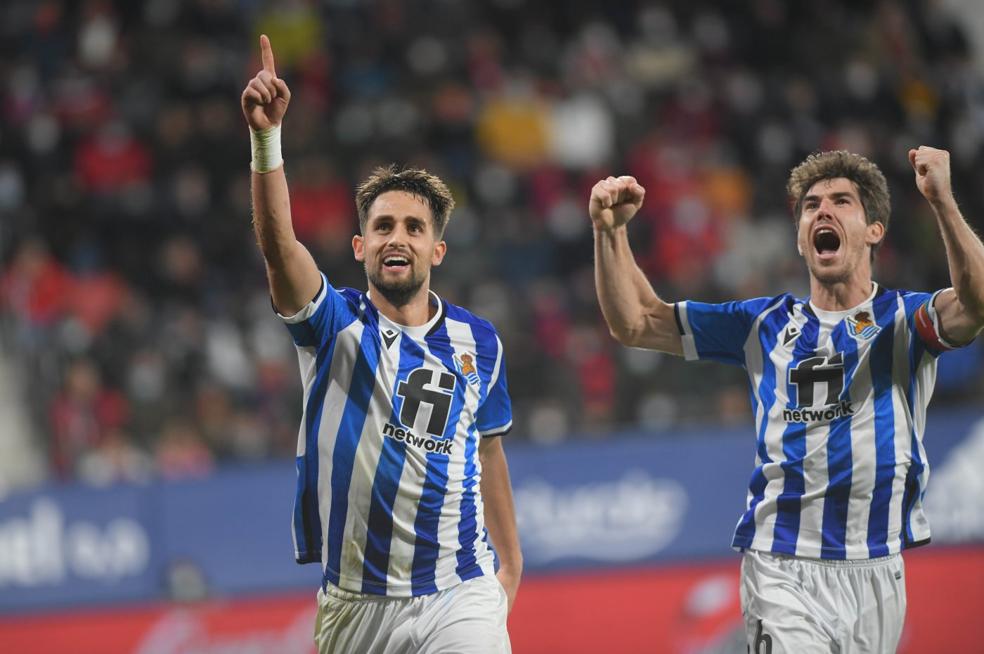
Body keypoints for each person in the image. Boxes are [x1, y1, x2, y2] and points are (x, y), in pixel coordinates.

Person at [589, 148, 984, 653]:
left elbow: (975, 304)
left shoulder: (906, 320)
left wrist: (943, 201)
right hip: (782, 563)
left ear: (874, 230)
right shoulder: (764, 324)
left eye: (842, 201)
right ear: (800, 238)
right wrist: (610, 232)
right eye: (810, 205)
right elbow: (637, 322)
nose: (823, 211)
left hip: (878, 570)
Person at [241, 35, 521, 653]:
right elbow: (279, 246)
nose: (400, 237)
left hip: (460, 590)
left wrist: (511, 566)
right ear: (360, 246)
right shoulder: (335, 324)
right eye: (383, 225)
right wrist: (267, 141)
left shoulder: (480, 341)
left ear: (436, 250)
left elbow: (490, 450)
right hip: (356, 606)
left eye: (415, 227)